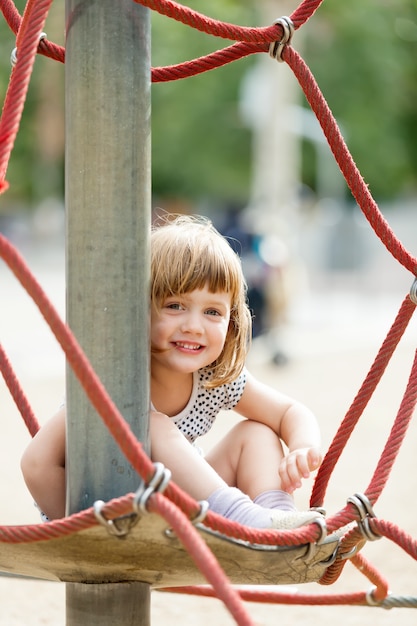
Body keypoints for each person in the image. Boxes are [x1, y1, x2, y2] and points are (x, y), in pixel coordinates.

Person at [21, 214, 323, 529]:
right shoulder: (115, 380)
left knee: (257, 432)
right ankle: (245, 519)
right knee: (151, 424)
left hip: (173, 512)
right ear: (139, 309)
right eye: (175, 306)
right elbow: (37, 463)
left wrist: (302, 446)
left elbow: (289, 411)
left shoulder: (212, 376)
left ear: (231, 321)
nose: (193, 326)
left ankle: (276, 520)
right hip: (109, 516)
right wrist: (81, 535)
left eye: (212, 312)